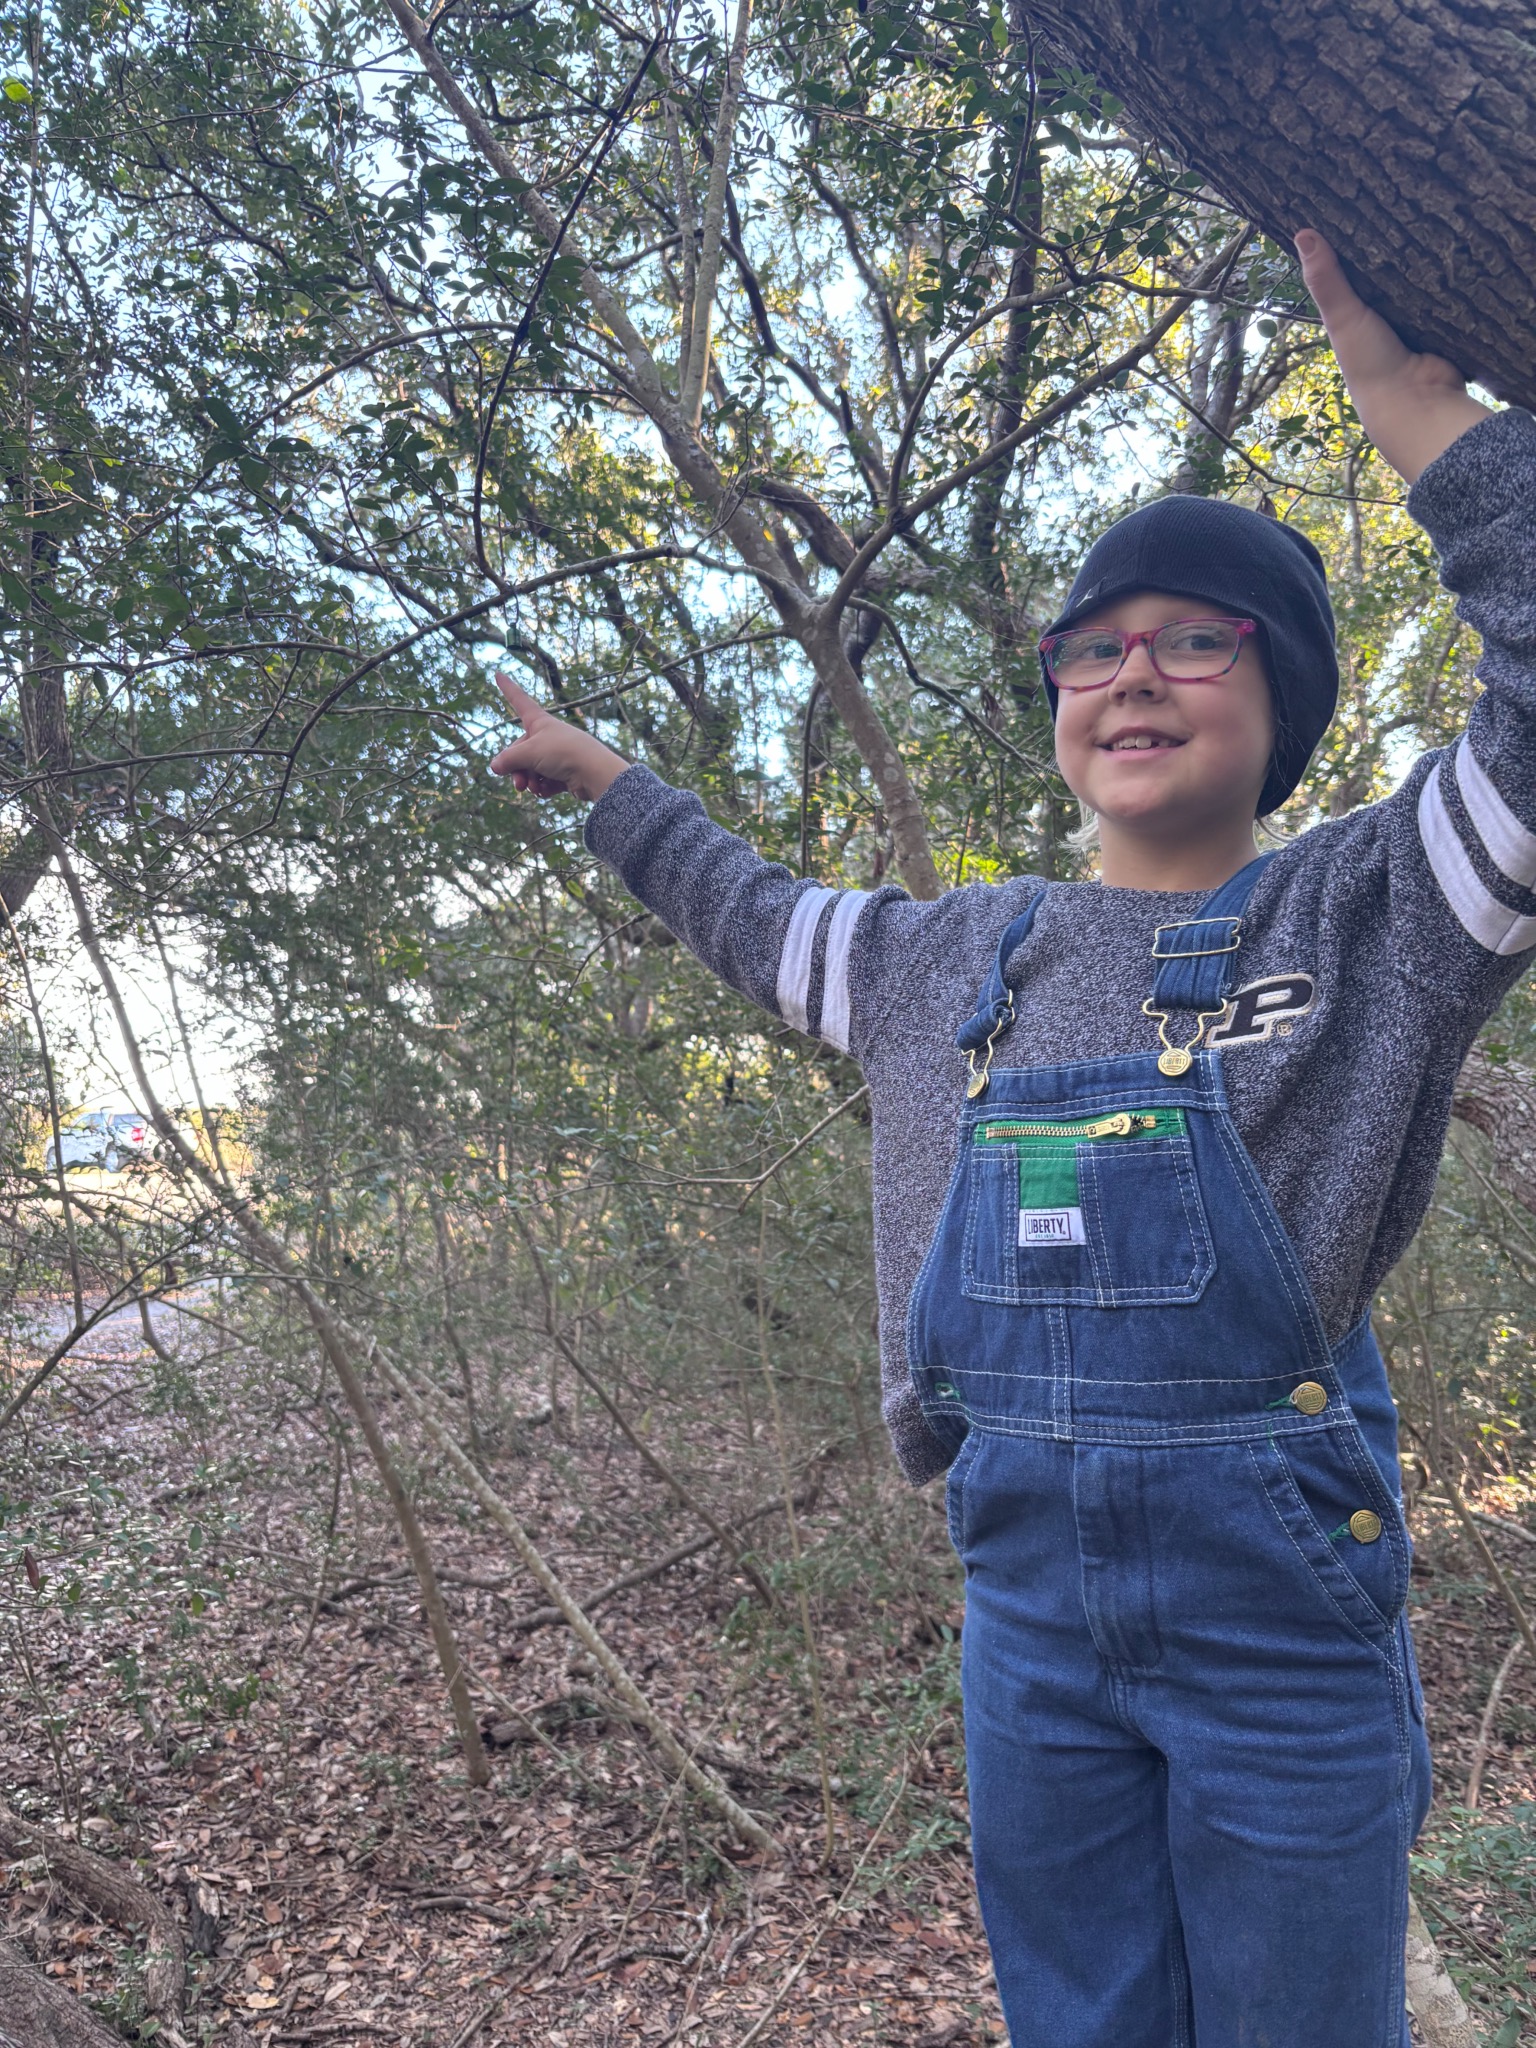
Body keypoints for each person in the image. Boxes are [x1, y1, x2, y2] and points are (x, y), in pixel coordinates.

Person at [487, 232, 1534, 2048]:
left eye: (1196, 640)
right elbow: (754, 910)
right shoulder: (945, 960)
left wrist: (1413, 411)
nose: (1135, 675)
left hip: (1281, 1634)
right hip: (1027, 1633)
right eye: (1093, 650)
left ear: (1282, 692)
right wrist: (614, 793)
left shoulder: (1379, 912)